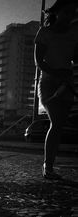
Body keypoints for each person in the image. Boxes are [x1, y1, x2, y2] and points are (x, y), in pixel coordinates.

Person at [34, 0, 78, 180]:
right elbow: (39, 61)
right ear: (57, 12)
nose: (70, 16)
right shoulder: (45, 32)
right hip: (49, 83)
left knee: (60, 125)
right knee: (57, 122)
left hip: (68, 82)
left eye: (73, 13)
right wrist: (56, 72)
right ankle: (48, 167)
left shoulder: (75, 33)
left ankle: (49, 165)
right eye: (67, 12)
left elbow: (75, 58)